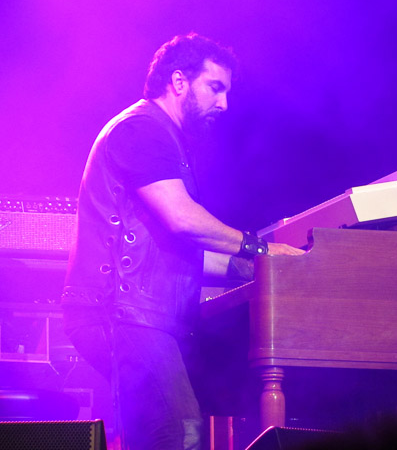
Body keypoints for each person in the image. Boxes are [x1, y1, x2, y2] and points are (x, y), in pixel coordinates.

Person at [61, 33, 303, 450]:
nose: (224, 103)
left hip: (136, 314)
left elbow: (181, 250)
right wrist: (259, 249)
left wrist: (253, 268)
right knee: (179, 430)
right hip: (118, 313)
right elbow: (181, 219)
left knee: (163, 431)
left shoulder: (163, 135)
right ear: (178, 81)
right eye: (215, 87)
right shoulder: (142, 129)